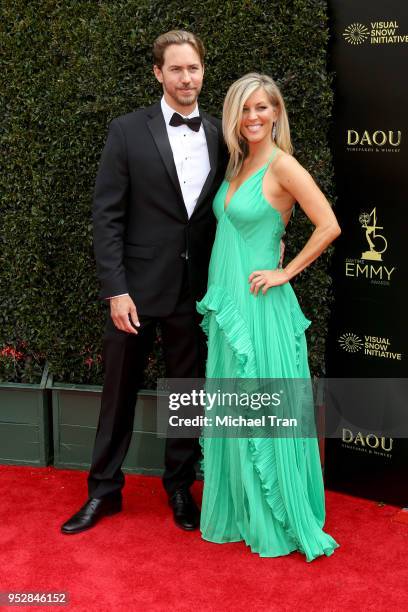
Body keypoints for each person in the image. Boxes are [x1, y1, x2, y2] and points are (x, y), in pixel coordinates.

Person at [61, 30, 227, 535]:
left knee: (186, 394)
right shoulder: (127, 130)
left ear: (203, 71)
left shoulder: (222, 133)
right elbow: (106, 216)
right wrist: (116, 289)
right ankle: (103, 491)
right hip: (133, 292)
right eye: (175, 69)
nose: (186, 78)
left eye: (193, 68)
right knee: (118, 394)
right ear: (158, 73)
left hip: (194, 291)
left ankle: (179, 486)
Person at [196, 73, 341, 561]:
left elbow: (329, 225)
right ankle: (242, 511)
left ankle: (278, 517)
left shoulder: (283, 165)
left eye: (261, 108)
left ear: (276, 112)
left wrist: (287, 272)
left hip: (261, 308)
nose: (253, 117)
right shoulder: (238, 164)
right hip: (228, 306)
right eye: (244, 109)